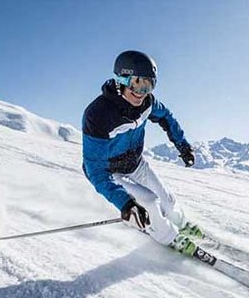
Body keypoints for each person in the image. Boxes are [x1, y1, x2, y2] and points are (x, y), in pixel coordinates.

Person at [81, 50, 202, 254]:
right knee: (148, 203)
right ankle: (169, 237)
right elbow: (95, 171)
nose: (142, 91)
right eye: (137, 83)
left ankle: (180, 223)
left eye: (149, 84)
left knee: (167, 199)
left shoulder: (148, 103)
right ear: (120, 79)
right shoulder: (98, 115)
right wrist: (125, 204)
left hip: (135, 163)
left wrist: (183, 145)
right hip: (110, 171)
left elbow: (167, 118)